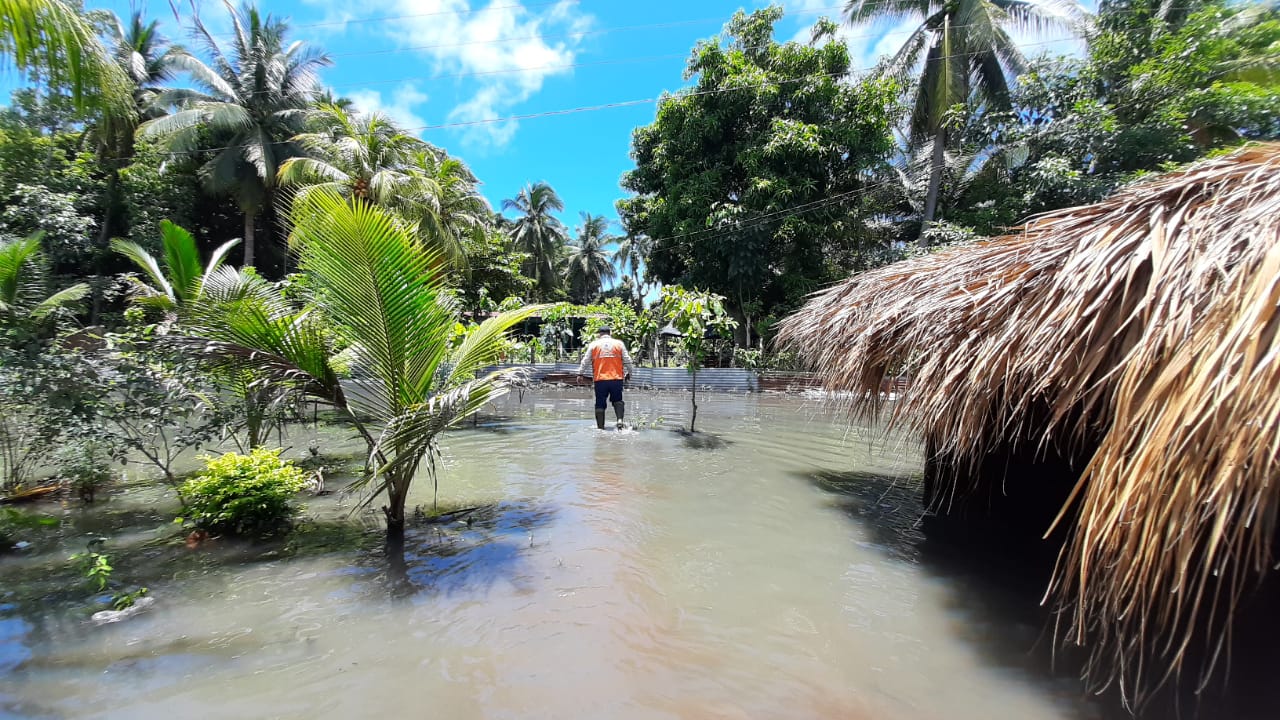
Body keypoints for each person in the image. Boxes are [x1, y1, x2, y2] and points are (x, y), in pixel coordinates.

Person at [577, 326, 634, 429]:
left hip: (600, 380)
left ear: (599, 334)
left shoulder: (594, 345)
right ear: (610, 333)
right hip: (616, 379)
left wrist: (580, 373)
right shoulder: (619, 344)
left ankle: (600, 428)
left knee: (600, 403)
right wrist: (630, 372)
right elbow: (627, 360)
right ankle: (620, 420)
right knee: (618, 400)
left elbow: (585, 361)